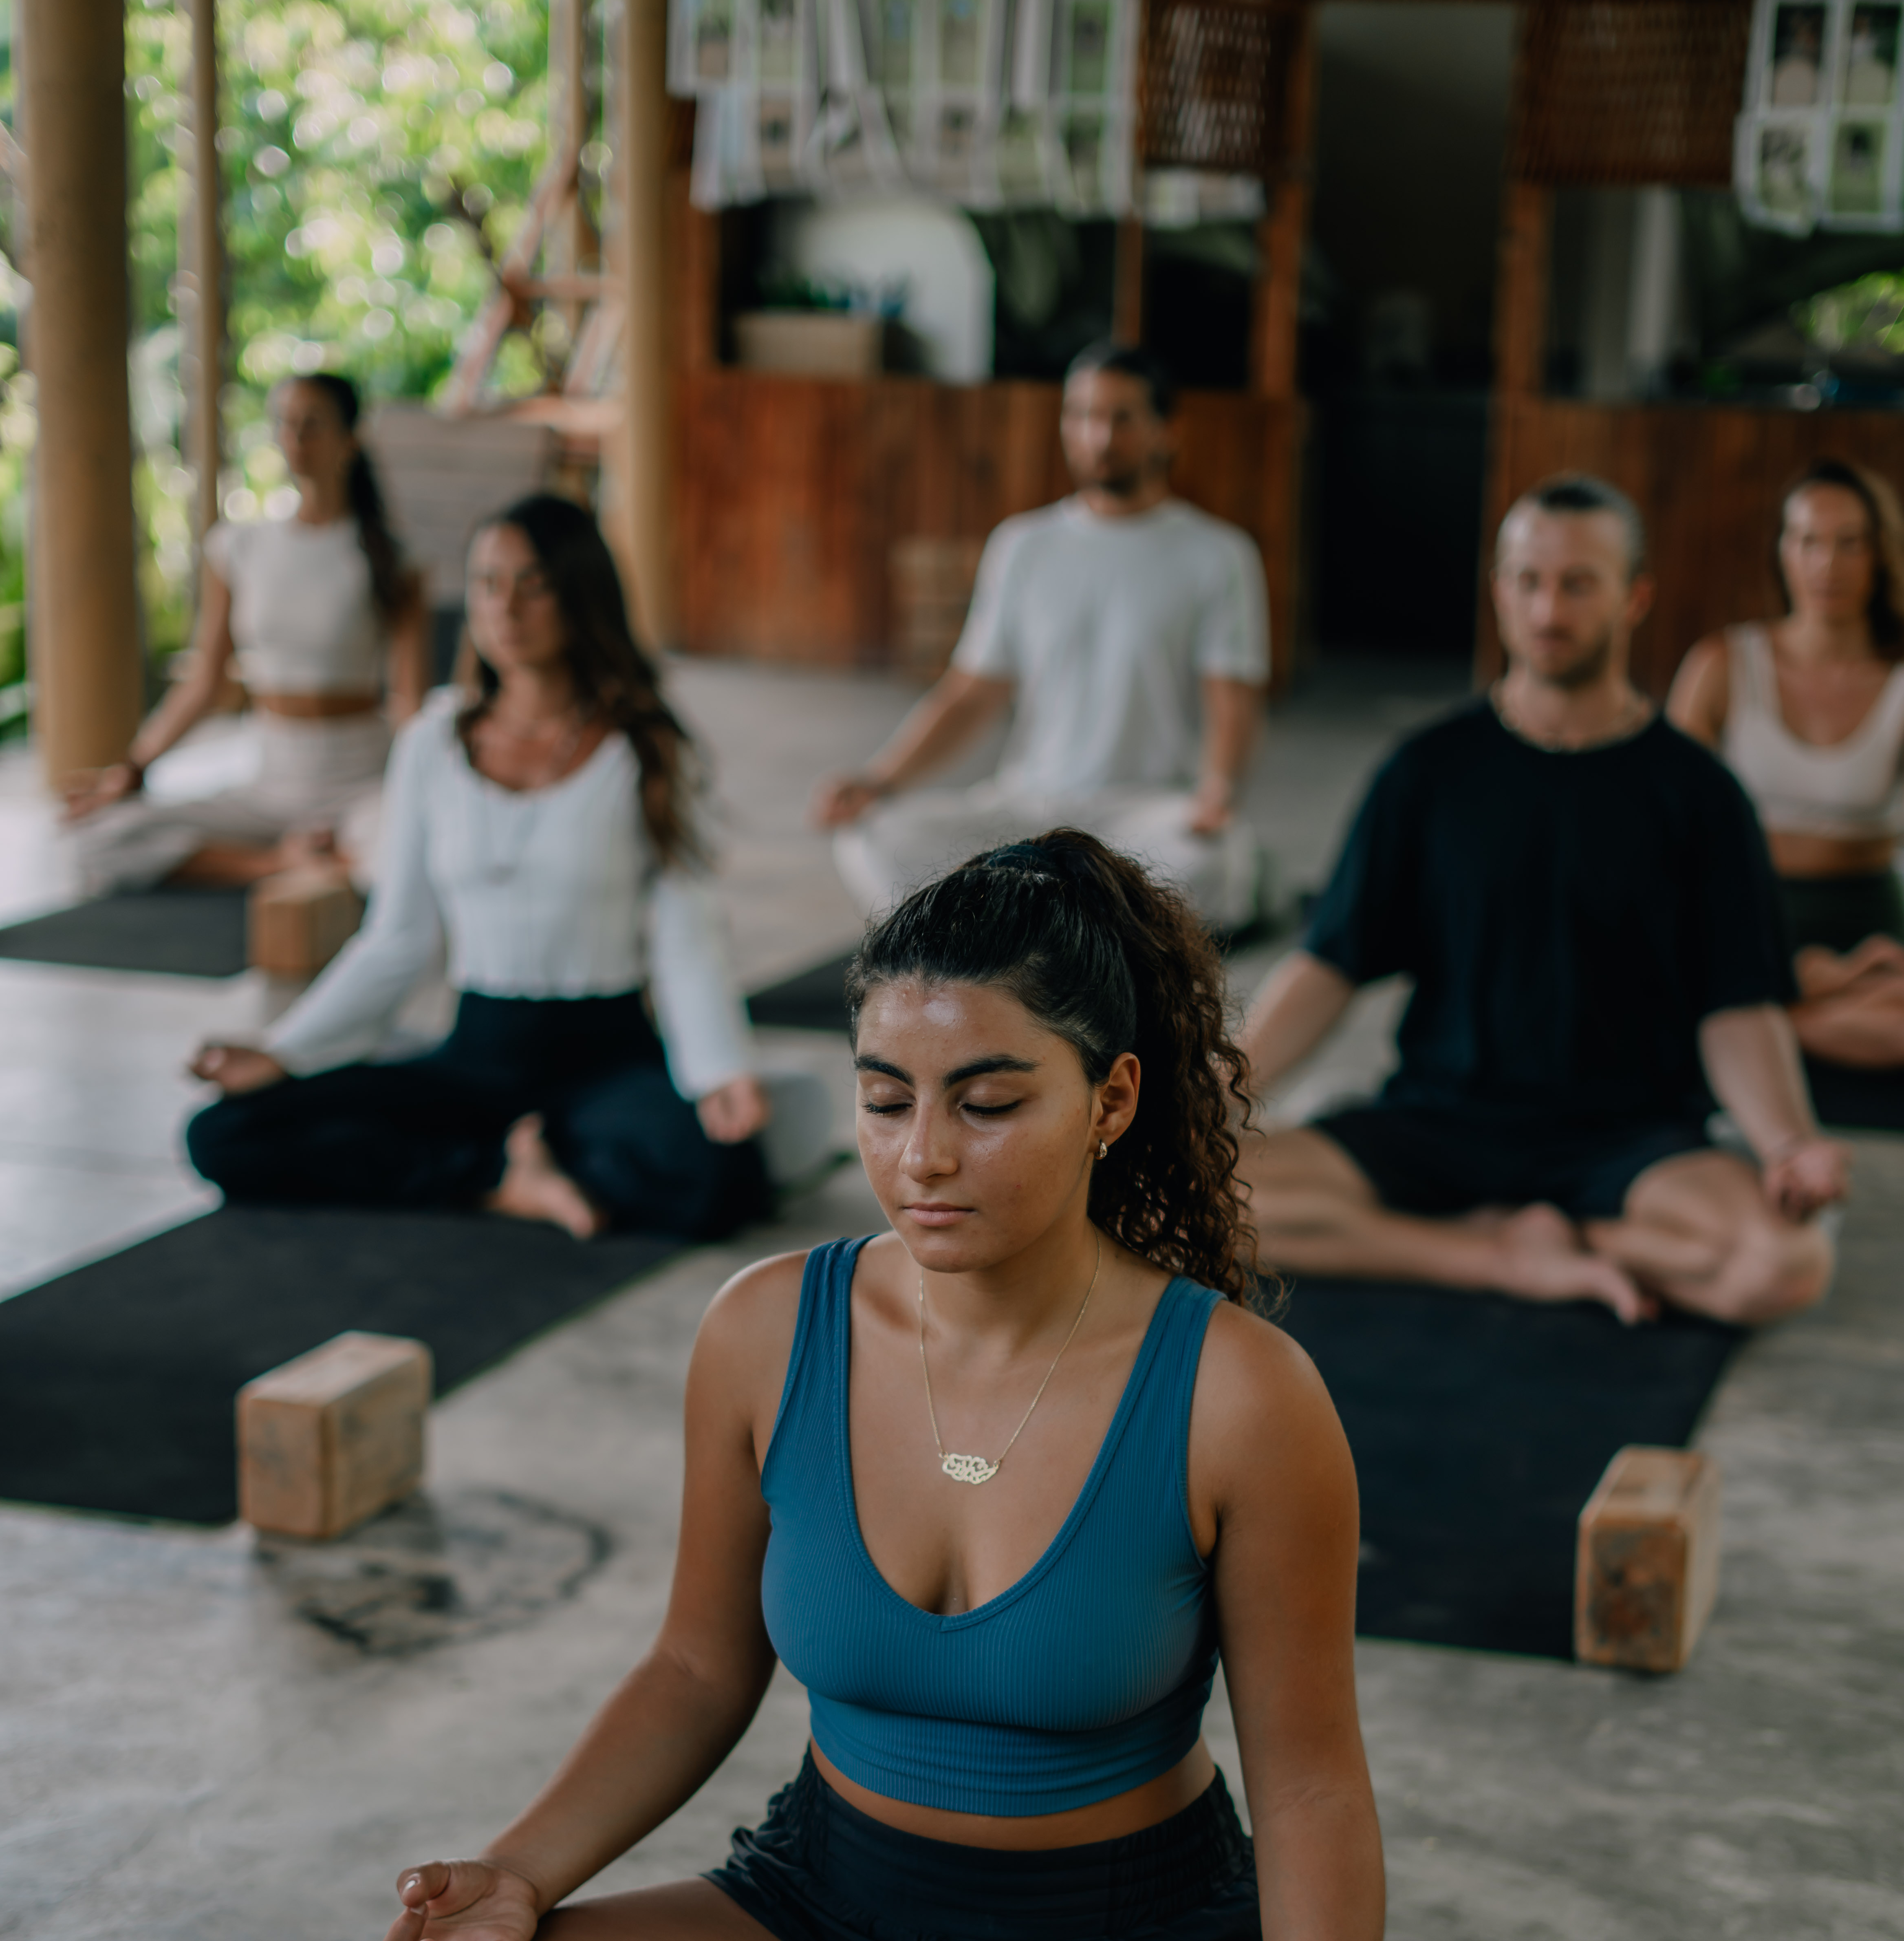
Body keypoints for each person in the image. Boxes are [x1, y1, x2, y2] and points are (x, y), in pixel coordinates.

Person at [295, 829, 1510, 1941]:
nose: (923, 1155)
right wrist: (523, 1870)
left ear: (1114, 1100)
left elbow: (1309, 1794)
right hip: (823, 1929)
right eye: (884, 1099)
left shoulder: (1238, 1396)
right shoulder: (761, 1332)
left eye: (988, 1101)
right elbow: (692, 1671)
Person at [1238, 473, 1849, 1329]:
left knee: (1784, 1264)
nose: (1546, 608)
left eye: (1576, 583)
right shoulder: (1426, 773)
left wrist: (1786, 1143)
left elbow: (1739, 1006)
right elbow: (1328, 965)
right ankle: (1491, 1255)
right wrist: (1218, 1094)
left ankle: (1563, 1240)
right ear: (1497, 591)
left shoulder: (1697, 794)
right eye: (1526, 581)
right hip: (1441, 1121)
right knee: (1187, 1196)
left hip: (1626, 1144)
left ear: (1633, 597)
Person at [185, 494, 772, 1244]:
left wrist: (719, 1069)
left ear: (580, 595)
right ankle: (500, 1179)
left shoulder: (648, 746)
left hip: (605, 1059)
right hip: (475, 1058)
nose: (507, 607)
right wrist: (284, 1051)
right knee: (225, 1135)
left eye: (534, 584)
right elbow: (396, 941)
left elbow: (688, 935)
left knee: (722, 1175)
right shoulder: (432, 741)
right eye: (489, 583)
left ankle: (526, 1156)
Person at [811, 345, 1269, 932]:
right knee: (873, 835)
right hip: (1030, 806)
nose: (1098, 437)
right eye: (1080, 415)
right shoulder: (1023, 546)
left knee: (1212, 860)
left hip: (1146, 813)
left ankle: (1027, 927)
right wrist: (878, 779)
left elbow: (1232, 696)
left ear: (1167, 431)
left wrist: (1218, 791)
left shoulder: (1217, 554)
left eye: (1121, 418)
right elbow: (971, 692)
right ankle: (1070, 928)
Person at [63, 374, 428, 891]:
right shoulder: (239, 547)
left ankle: (332, 856)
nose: (296, 437)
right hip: (270, 784)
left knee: (410, 858)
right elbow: (204, 684)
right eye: (285, 423)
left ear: (350, 439)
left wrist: (431, 787)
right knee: (94, 837)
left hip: (362, 785)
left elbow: (408, 701)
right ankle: (280, 864)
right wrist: (131, 768)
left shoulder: (393, 558)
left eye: (314, 424)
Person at [1669, 457, 1904, 1074]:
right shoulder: (1721, 663)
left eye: (1851, 543)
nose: (1828, 565)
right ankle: (1790, 1005)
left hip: (1869, 924)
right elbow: (1663, 820)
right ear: (1783, 551)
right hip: (1749, 908)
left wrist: (1860, 968)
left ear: (1880, 554)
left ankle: (1760, 1026)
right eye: (1809, 541)